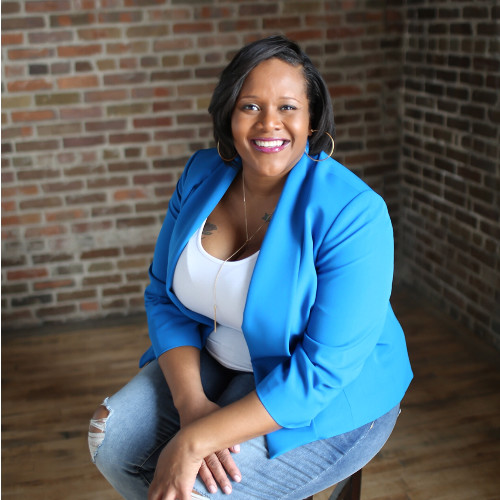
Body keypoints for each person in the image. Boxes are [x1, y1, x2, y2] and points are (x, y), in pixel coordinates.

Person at [88, 35, 413, 500]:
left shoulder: (354, 212)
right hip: (222, 361)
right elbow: (163, 297)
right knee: (110, 439)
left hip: (327, 395)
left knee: (195, 487)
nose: (269, 124)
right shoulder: (200, 174)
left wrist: (194, 442)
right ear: (229, 114)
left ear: (312, 119)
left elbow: (322, 372)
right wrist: (192, 408)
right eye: (250, 106)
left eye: (288, 107)